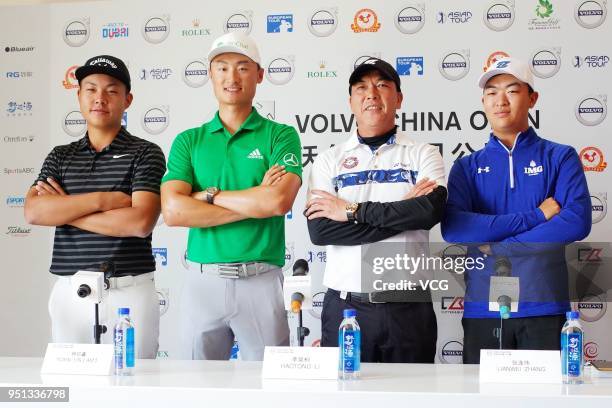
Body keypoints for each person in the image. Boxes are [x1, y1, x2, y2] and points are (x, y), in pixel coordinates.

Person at [161, 32, 302, 361]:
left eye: (243, 67)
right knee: (196, 387)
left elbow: (277, 202)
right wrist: (254, 203)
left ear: (260, 75)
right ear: (210, 75)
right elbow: (173, 212)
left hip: (260, 280)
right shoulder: (189, 140)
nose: (232, 77)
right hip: (202, 281)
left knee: (270, 385)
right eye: (222, 68)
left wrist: (207, 196)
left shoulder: (280, 135)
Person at [441, 58, 591, 363]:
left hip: (545, 306)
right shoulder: (466, 166)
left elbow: (575, 221)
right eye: (492, 92)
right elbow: (455, 227)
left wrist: (501, 248)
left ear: (532, 98)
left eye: (512, 90)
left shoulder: (560, 157)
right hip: (483, 308)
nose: (500, 101)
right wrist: (536, 216)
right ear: (483, 101)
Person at [305, 58, 446, 363]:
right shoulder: (329, 160)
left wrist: (351, 210)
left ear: (399, 98)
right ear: (351, 101)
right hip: (346, 306)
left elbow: (428, 211)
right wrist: (403, 210)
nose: (371, 93)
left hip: (409, 306)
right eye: (361, 87)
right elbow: (321, 230)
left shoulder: (424, 153)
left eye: (382, 85)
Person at [24, 55, 166, 358]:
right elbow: (34, 211)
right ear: (79, 96)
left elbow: (139, 222)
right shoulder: (60, 156)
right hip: (70, 290)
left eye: (111, 91)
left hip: (128, 291)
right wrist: (103, 201)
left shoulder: (145, 153)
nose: (99, 98)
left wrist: (65, 210)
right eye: (90, 89)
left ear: (127, 100)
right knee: (74, 387)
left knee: (135, 385)